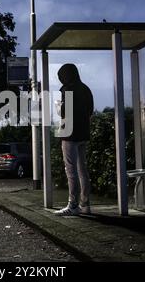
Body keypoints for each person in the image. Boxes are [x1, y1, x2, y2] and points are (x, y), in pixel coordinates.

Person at [54, 63, 94, 216]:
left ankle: (73, 205)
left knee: (71, 171)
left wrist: (58, 105)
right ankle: (86, 204)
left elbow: (63, 111)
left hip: (69, 134)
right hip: (83, 133)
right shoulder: (85, 89)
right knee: (82, 169)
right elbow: (90, 110)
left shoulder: (68, 89)